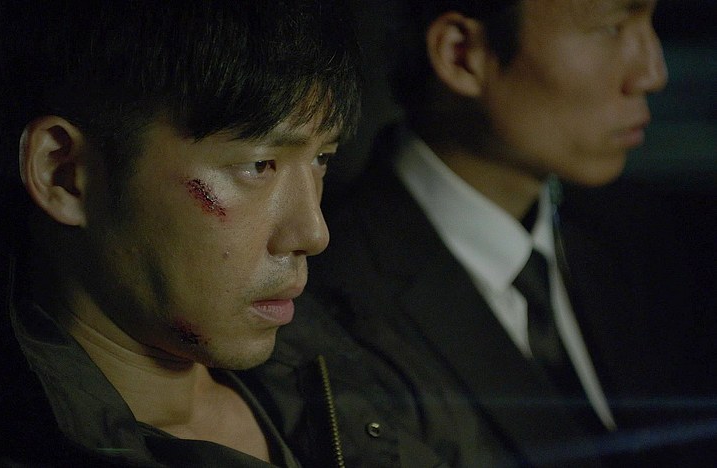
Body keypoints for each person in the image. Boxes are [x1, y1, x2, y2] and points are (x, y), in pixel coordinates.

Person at [0, 1, 371, 466]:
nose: (313, 232)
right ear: (65, 174)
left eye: (321, 158)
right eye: (258, 165)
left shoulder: (331, 362)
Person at [250, 0, 717, 466]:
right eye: (611, 28)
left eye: (650, 23)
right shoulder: (322, 301)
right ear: (461, 53)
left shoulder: (653, 246)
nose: (652, 73)